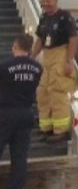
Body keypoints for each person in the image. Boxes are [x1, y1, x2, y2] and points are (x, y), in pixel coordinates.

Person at [31, 0, 77, 142]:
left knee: (58, 92)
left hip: (60, 54)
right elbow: (40, 39)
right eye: (44, 2)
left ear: (55, 1)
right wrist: (31, 57)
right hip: (47, 55)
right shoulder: (44, 17)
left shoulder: (65, 16)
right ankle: (46, 128)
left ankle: (61, 131)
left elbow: (73, 39)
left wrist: (69, 61)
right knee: (43, 92)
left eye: (48, 1)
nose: (46, 4)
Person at [0, 34, 43, 189]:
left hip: (6, 114)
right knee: (19, 158)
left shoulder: (5, 67)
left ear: (16, 47)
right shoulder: (38, 68)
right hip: (26, 114)